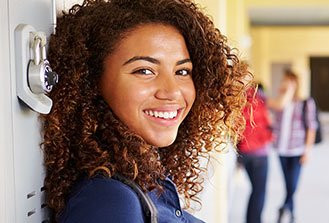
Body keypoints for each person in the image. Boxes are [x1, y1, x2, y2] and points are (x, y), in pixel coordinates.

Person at [41, 0, 249, 222]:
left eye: (182, 71)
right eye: (144, 70)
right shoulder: (110, 201)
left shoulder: (146, 176)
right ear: (90, 81)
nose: (172, 91)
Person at [269, 70, 317, 223]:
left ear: (296, 83)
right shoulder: (281, 100)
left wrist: (307, 152)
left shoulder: (306, 102)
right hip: (281, 149)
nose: (285, 83)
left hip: (297, 150)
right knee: (288, 184)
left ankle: (284, 207)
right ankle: (291, 212)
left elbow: (311, 127)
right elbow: (273, 111)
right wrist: (284, 93)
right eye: (284, 80)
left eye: (289, 81)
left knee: (293, 184)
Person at [237, 84, 273, 223]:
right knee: (259, 192)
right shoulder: (261, 101)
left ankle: (251, 220)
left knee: (254, 190)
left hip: (245, 153)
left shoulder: (240, 103)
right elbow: (268, 122)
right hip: (260, 154)